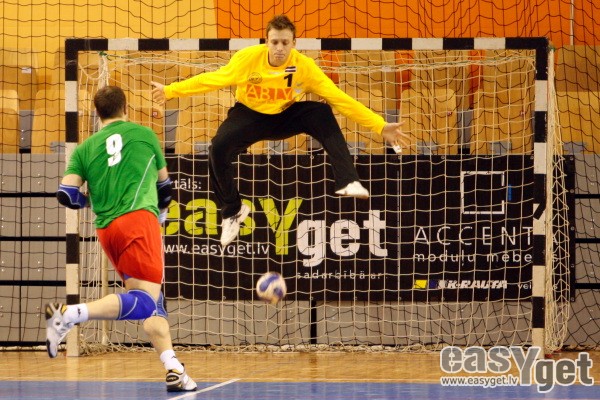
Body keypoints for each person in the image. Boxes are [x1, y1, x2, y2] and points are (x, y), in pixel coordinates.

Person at [151, 14, 409, 247]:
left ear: (294, 43)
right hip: (249, 114)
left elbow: (341, 99)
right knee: (218, 149)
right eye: (274, 42)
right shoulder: (248, 59)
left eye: (285, 42)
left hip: (285, 115)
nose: (279, 48)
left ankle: (348, 180)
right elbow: (212, 80)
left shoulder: (304, 67)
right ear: (267, 41)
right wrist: (171, 91)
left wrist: (380, 125)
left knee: (321, 112)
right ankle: (232, 211)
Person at [45, 86, 197, 392]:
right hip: (139, 220)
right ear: (125, 108)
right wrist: (160, 216)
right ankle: (69, 314)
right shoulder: (144, 135)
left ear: (96, 113)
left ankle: (174, 368)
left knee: (152, 301)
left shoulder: (85, 148)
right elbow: (165, 189)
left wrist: (91, 202)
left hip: (107, 230)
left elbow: (66, 194)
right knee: (145, 302)